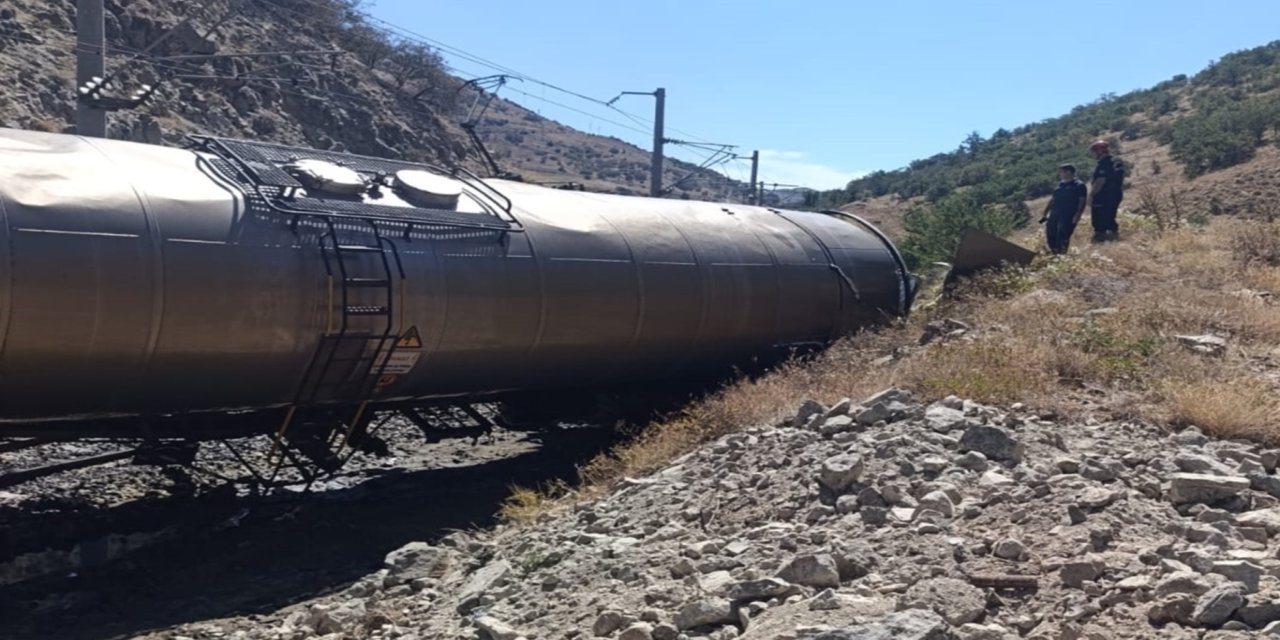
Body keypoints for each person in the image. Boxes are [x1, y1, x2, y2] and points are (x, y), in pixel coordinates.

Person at [1040, 164, 1088, 254]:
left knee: (1063, 234)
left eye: (1062, 172)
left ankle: (1061, 253)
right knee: (1050, 234)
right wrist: (1045, 212)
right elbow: (1053, 199)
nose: (1060, 174)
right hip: (1055, 213)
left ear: (1069, 172)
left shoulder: (1079, 185)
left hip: (1068, 214)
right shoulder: (1060, 184)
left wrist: (1078, 214)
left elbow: (1082, 201)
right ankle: (1054, 252)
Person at [1087, 140, 1125, 241]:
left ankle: (1101, 240)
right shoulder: (1115, 162)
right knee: (1110, 217)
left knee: (1099, 219)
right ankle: (1113, 237)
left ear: (1099, 152)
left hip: (1103, 196)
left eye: (1094, 152)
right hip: (1116, 194)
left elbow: (1100, 182)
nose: (1093, 155)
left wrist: (1091, 195)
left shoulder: (1103, 165)